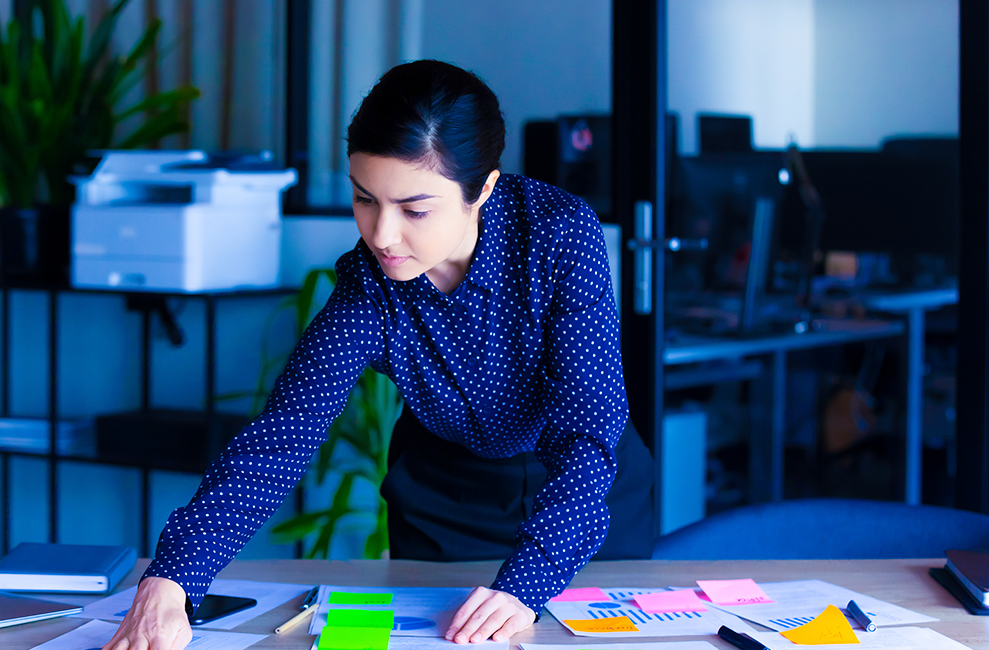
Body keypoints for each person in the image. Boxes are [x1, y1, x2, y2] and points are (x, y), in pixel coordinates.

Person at [105, 59, 654, 650]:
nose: (382, 235)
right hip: (445, 495)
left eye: (414, 210)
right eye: (365, 200)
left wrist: (526, 585)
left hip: (584, 489)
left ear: (484, 189)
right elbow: (283, 435)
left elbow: (588, 428)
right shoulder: (369, 284)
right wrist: (171, 577)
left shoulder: (559, 234)